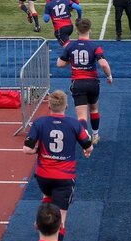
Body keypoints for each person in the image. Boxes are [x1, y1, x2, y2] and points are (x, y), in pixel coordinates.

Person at [23, 90, 94, 233]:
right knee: (60, 221)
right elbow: (88, 146)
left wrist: (40, 151)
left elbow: (26, 149)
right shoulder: (74, 124)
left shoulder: (39, 123)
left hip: (43, 176)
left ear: (49, 106)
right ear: (66, 107)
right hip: (64, 177)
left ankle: (40, 222)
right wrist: (87, 150)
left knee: (47, 197)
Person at [56, 18, 113, 145]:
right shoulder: (95, 46)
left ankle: (84, 137)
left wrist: (72, 60)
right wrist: (109, 77)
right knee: (93, 109)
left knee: (81, 116)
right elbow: (103, 64)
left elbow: (59, 64)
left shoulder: (70, 46)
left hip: (78, 83)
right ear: (90, 30)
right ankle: (96, 135)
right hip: (93, 83)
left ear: (77, 30)